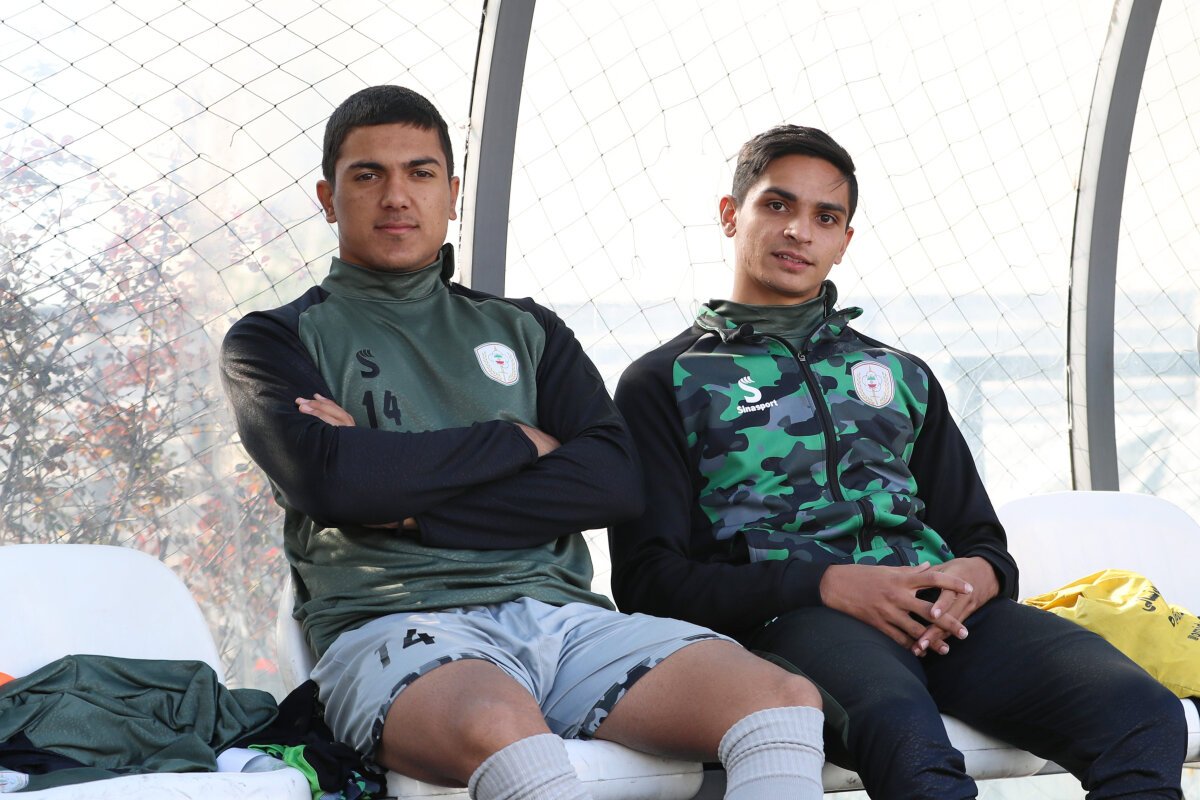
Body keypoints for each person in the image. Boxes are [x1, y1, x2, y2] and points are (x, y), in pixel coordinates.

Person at [220, 86, 828, 800]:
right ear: (328, 198)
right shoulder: (273, 339)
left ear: (452, 194)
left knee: (782, 701)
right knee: (502, 725)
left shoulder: (528, 329)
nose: (396, 195)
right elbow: (334, 482)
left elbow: (611, 481)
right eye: (367, 174)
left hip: (565, 622)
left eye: (420, 173)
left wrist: (405, 502)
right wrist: (513, 439)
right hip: (392, 620)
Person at [608, 123, 1187, 799]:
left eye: (825, 217)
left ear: (844, 241)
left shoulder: (897, 372)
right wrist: (827, 584)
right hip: (791, 623)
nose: (799, 231)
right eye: (777, 204)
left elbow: (981, 540)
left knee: (1143, 714)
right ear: (731, 215)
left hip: (941, 618)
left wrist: (978, 574)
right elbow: (649, 581)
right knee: (909, 743)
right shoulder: (667, 381)